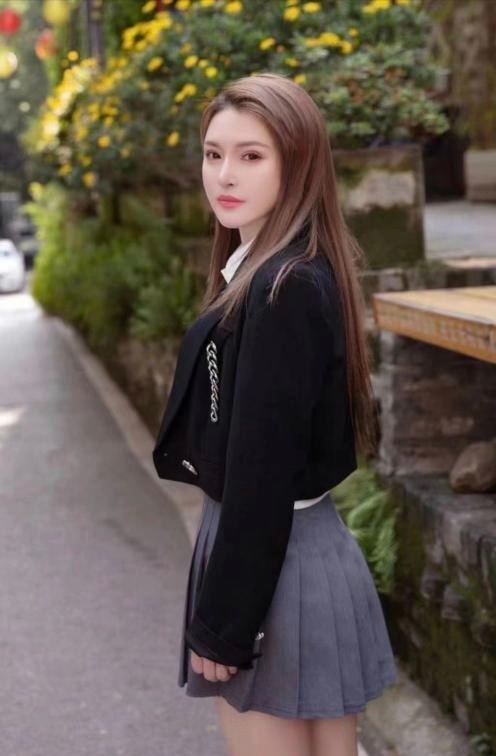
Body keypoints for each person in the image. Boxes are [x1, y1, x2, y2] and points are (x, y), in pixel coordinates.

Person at [152, 72, 398, 756]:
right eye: (213, 154)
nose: (224, 174)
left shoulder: (281, 287)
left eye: (251, 155)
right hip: (289, 553)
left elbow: (261, 472)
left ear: (298, 164)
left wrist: (224, 625)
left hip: (272, 561)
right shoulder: (274, 271)